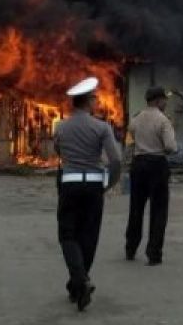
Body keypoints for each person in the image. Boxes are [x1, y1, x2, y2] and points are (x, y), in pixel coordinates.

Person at [53, 77, 122, 312]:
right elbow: (116, 159)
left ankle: (78, 283)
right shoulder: (102, 127)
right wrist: (109, 183)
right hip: (94, 187)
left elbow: (58, 151)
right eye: (94, 98)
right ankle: (80, 282)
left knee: (67, 234)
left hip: (70, 186)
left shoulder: (60, 127)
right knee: (89, 236)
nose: (97, 101)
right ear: (87, 101)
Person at [125, 86, 178, 266]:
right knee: (158, 211)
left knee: (136, 209)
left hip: (138, 165)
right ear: (157, 100)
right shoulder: (164, 120)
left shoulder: (136, 118)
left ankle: (130, 248)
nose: (166, 103)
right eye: (164, 100)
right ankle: (154, 254)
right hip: (157, 165)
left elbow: (131, 137)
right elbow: (171, 147)